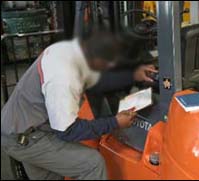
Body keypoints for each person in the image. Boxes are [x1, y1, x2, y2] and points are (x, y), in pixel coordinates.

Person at [1, 31, 157, 180]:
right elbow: (68, 130)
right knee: (91, 164)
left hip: (25, 126)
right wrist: (114, 123)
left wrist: (133, 74)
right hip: (26, 138)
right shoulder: (64, 77)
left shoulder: (69, 52)